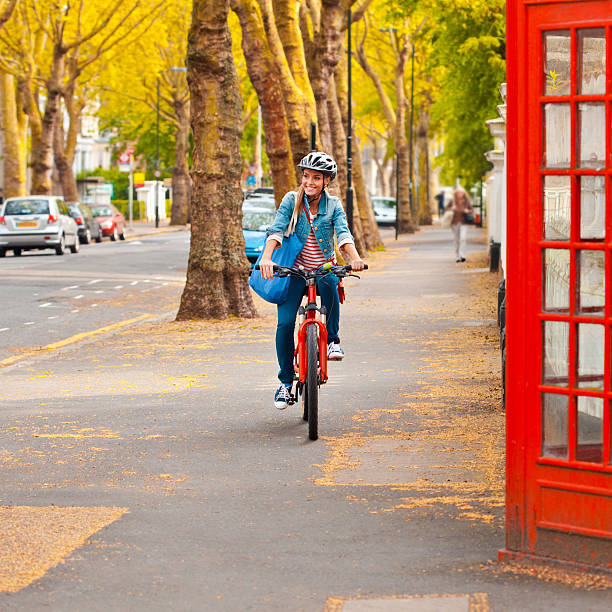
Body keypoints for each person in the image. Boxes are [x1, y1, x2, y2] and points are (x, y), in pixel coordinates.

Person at [258, 151, 365, 410]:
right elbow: (277, 229)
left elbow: (343, 233)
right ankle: (285, 383)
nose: (309, 182)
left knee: (331, 282)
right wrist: (267, 256)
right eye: (306, 176)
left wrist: (355, 257)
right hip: (292, 272)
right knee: (284, 324)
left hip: (323, 267)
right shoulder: (291, 201)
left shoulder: (334, 205)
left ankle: (332, 341)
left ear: (326, 181)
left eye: (316, 178)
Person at [445, 186, 473, 263]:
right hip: (454, 223)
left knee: (463, 238)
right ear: (456, 193)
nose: (460, 194)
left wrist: (468, 210)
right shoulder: (452, 201)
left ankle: (462, 254)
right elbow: (446, 208)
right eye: (458, 192)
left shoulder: (466, 201)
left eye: (461, 192)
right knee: (457, 239)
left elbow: (471, 210)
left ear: (464, 193)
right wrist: (451, 208)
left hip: (464, 222)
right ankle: (457, 256)